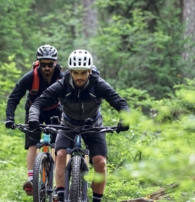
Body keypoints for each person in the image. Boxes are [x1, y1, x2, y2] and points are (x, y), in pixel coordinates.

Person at [28, 49, 130, 202]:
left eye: (83, 73)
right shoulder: (63, 84)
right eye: (76, 73)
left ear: (89, 71)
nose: (79, 77)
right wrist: (34, 117)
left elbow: (120, 103)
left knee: (100, 162)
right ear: (70, 72)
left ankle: (96, 200)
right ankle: (61, 196)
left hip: (93, 124)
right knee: (61, 154)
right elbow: (38, 102)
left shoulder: (98, 84)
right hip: (68, 123)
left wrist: (125, 119)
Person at [5, 44, 64, 196]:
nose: (46, 68)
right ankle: (31, 180)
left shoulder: (61, 77)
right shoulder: (31, 76)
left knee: (58, 147)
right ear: (38, 63)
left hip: (54, 111)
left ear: (55, 63)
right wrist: (10, 118)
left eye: (50, 64)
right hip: (33, 113)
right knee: (32, 144)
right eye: (43, 64)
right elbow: (14, 97)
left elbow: (69, 97)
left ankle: (59, 184)